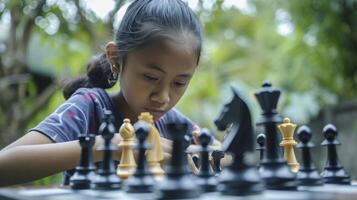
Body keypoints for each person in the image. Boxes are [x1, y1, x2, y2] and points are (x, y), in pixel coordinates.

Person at [0, 0, 221, 187]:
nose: (163, 97)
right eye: (151, 78)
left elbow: (227, 156)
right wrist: (110, 146)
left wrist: (202, 153)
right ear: (116, 59)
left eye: (180, 82)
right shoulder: (89, 108)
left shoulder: (174, 125)